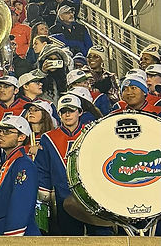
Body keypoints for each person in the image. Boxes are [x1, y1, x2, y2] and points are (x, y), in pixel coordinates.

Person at [34, 94, 112, 236]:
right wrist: (45, 191)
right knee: (69, 236)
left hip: (93, 196)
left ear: (80, 112)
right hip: (63, 198)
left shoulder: (91, 133)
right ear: (59, 114)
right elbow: (42, 168)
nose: (67, 114)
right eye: (63, 111)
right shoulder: (48, 138)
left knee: (100, 235)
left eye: (72, 110)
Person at [0, 114, 40, 236]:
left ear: (21, 137)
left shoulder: (23, 164)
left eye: (7, 131)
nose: (1, 135)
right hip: (5, 228)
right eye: (0, 131)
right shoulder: (11, 161)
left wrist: (13, 236)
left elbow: (21, 203)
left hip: (18, 234)